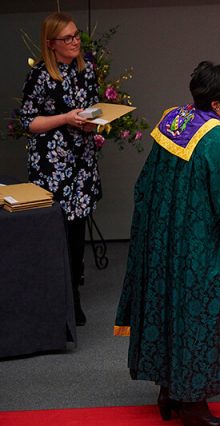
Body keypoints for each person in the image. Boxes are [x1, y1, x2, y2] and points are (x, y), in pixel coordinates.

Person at [114, 61, 220, 426]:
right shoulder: (219, 140)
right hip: (199, 246)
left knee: (168, 311)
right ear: (219, 100)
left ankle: (168, 392)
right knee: (198, 318)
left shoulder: (173, 120)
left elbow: (148, 185)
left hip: (166, 241)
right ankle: (192, 405)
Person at [19, 12, 100, 326]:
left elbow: (92, 109)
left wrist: (95, 123)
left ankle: (73, 295)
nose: (75, 41)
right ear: (51, 44)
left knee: (77, 233)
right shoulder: (41, 75)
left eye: (77, 35)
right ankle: (65, 303)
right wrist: (65, 118)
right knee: (58, 235)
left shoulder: (86, 70)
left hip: (81, 163)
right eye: (68, 38)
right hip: (52, 166)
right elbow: (28, 122)